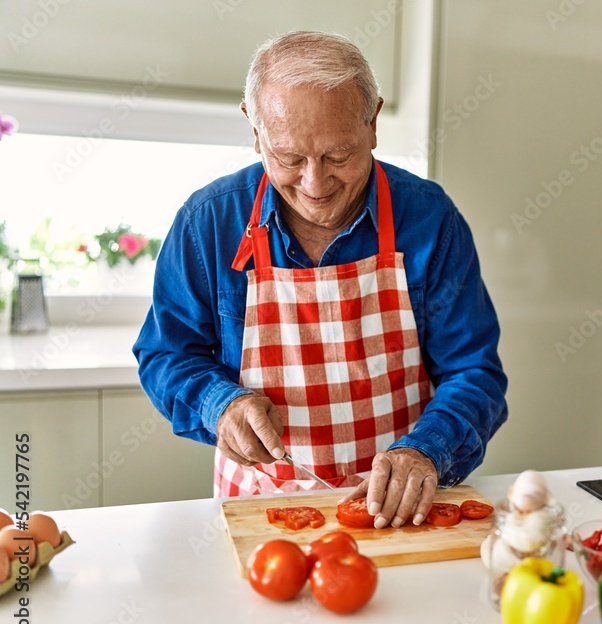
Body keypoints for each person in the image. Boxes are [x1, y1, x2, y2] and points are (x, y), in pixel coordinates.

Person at [133, 30, 508, 529]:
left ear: (372, 122)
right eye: (289, 158)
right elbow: (166, 355)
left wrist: (427, 451)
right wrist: (218, 404)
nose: (315, 184)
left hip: (401, 510)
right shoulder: (209, 223)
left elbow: (474, 373)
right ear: (255, 128)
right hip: (260, 509)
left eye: (339, 156)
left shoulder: (429, 219)